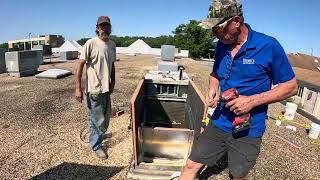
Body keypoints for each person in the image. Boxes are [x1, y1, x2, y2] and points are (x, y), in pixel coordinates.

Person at [179, 0, 298, 179]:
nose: (215, 34)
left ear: (236, 21)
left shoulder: (268, 46)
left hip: (248, 128)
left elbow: (291, 87)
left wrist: (251, 101)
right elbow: (215, 74)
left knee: (237, 174)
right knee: (191, 164)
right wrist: (213, 88)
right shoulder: (221, 44)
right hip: (220, 120)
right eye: (212, 29)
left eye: (218, 28)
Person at [75, 16, 116, 159]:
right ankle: (96, 146)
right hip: (94, 90)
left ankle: (96, 137)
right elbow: (80, 65)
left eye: (107, 26)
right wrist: (78, 88)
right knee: (98, 120)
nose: (104, 28)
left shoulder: (112, 45)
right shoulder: (90, 43)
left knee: (102, 119)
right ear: (97, 28)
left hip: (106, 89)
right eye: (102, 26)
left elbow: (112, 65)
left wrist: (112, 82)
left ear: (110, 28)